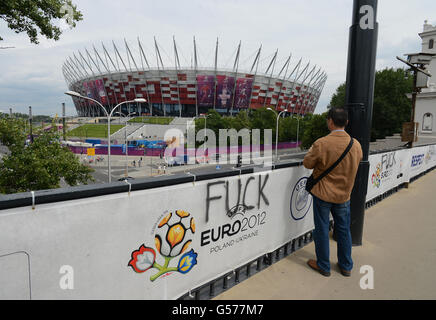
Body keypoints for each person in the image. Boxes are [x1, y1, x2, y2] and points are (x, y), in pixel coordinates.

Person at [303, 106, 363, 277]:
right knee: (344, 230)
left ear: (330, 121)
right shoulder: (356, 145)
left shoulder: (322, 143)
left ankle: (323, 265)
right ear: (347, 122)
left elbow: (307, 163)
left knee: (322, 229)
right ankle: (346, 266)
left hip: (323, 194)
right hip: (344, 195)